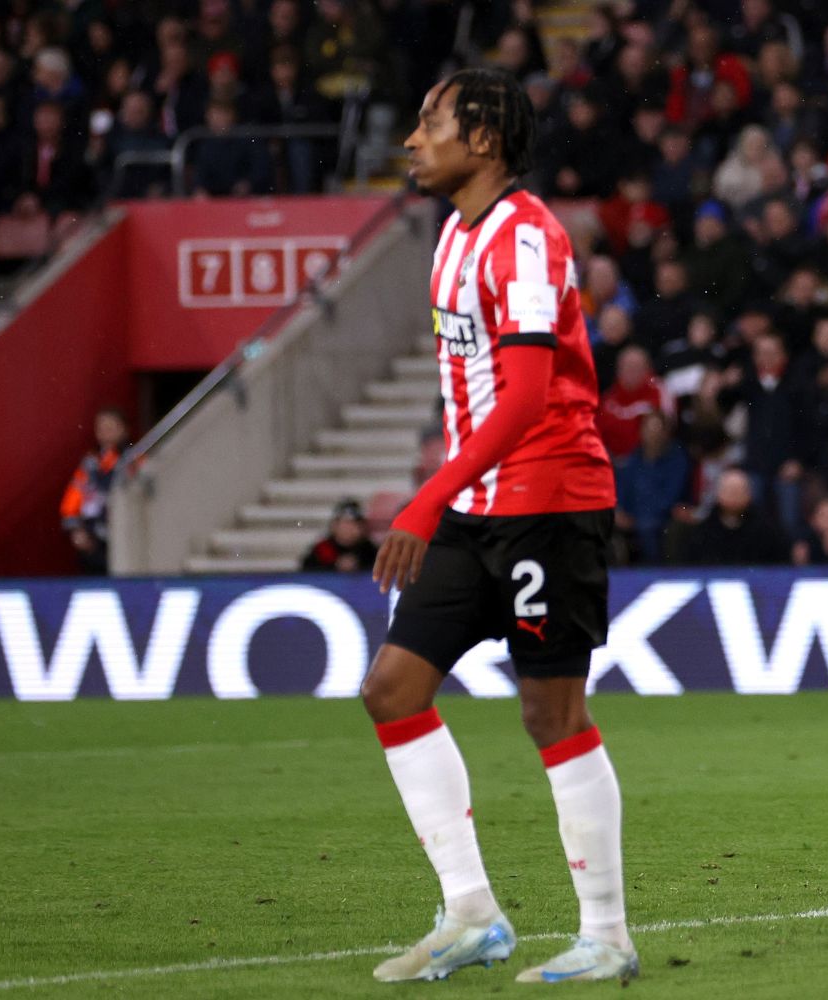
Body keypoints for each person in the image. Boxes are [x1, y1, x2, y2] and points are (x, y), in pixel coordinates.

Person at [361, 68, 637, 985]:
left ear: (483, 139)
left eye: (432, 122)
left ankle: (606, 934)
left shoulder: (526, 237)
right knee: (393, 690)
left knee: (549, 710)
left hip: (550, 503)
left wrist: (425, 495)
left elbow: (524, 397)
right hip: (479, 509)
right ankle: (472, 912)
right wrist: (448, 495)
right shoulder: (451, 235)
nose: (413, 140)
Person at [59, 406, 130, 575]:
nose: (105, 434)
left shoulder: (134, 459)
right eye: (101, 429)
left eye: (111, 428)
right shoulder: (91, 463)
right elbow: (72, 499)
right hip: (94, 539)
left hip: (125, 534)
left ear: (124, 429)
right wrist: (76, 529)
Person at [300, 499, 378, 571]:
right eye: (344, 523)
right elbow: (308, 573)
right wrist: (334, 566)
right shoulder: (321, 550)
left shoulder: (371, 551)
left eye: (353, 524)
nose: (348, 528)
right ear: (334, 525)